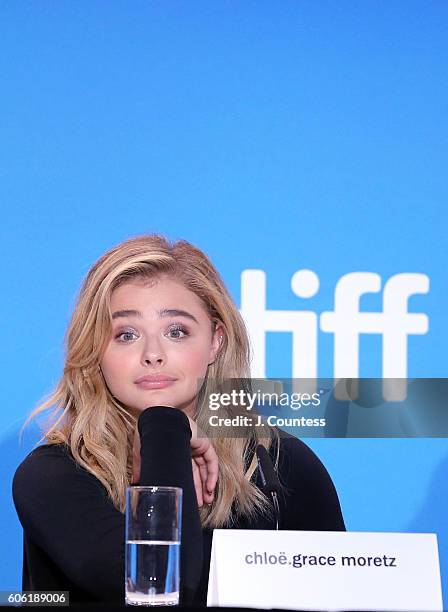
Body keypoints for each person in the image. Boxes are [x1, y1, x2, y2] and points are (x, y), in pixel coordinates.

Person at [12, 234, 345, 606]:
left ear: (216, 341)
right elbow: (159, 589)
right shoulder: (54, 475)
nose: (153, 353)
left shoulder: (279, 463)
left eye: (176, 332)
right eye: (126, 334)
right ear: (96, 348)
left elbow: (345, 598)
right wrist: (165, 428)